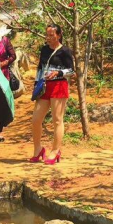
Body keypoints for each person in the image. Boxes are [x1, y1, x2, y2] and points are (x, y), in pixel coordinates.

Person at [30, 24, 74, 165]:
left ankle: (55, 151)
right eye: (47, 35)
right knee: (36, 119)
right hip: (44, 86)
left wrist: (59, 73)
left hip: (59, 86)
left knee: (57, 120)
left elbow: (72, 71)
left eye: (51, 35)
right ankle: (38, 149)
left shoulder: (65, 51)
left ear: (59, 35)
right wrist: (36, 85)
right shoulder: (44, 50)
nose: (48, 37)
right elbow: (40, 68)